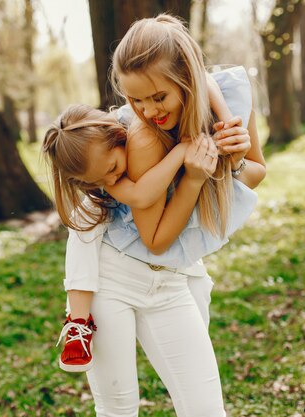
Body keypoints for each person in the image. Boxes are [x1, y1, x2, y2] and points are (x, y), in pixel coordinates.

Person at [45, 14, 266, 416]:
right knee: (119, 408)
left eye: (158, 97)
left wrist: (234, 154)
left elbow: (256, 174)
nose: (147, 111)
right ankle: (76, 321)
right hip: (114, 278)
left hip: (171, 281)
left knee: (205, 409)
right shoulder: (143, 140)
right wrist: (195, 177)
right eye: (135, 100)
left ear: (187, 79)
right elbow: (157, 240)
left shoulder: (230, 97)